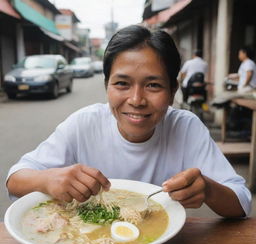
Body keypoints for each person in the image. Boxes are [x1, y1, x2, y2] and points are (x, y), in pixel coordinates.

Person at [6, 25, 251, 218]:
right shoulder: (83, 124)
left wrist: (208, 189)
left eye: (153, 85)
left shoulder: (186, 127)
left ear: (173, 90)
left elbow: (242, 202)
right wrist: (47, 179)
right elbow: (15, 179)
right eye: (122, 83)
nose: (136, 100)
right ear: (106, 86)